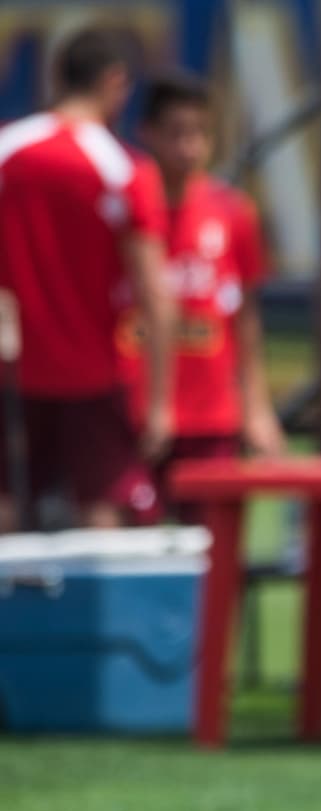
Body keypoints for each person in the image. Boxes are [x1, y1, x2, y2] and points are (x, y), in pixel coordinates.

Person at [0, 27, 174, 530]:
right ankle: (97, 613)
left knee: (6, 506)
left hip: (11, 372)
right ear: (115, 82)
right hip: (93, 374)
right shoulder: (122, 169)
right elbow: (155, 293)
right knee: (98, 508)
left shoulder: (9, 151)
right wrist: (160, 404)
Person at [116, 72, 285, 517]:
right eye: (176, 133)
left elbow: (245, 317)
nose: (189, 147)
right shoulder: (122, 211)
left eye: (200, 134)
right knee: (130, 548)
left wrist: (257, 409)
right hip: (131, 414)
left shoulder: (233, 213)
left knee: (215, 550)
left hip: (212, 418)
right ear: (147, 133)